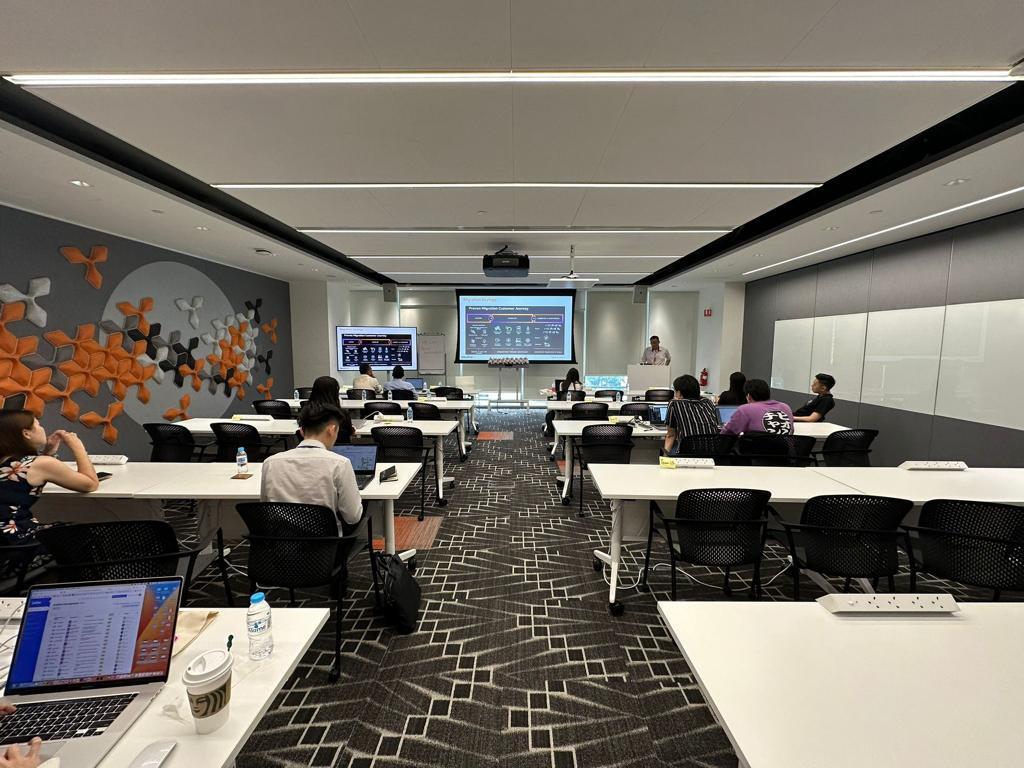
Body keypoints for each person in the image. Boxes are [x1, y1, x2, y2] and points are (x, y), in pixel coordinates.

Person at [260, 404, 365, 549]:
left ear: (301, 431)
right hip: (324, 551)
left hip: (281, 548)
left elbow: (265, 507)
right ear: (332, 429)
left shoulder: (270, 463)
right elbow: (353, 517)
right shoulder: (340, 464)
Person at [0, 411, 99, 546]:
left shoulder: (9, 461)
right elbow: (90, 484)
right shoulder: (40, 464)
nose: (42, 428)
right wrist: (78, 447)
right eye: (38, 425)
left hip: (4, 539)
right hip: (17, 540)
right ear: (26, 433)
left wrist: (47, 453)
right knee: (85, 534)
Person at [664, 375, 720, 453]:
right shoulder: (708, 402)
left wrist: (664, 456)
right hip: (714, 454)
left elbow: (671, 435)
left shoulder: (674, 403)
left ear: (679, 393)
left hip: (688, 454)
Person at [720, 379, 793, 436]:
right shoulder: (786, 407)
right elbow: (791, 432)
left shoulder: (745, 409)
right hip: (783, 450)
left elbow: (726, 434)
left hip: (754, 450)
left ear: (748, 396)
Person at [308, 376, 354, 443]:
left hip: (312, 448)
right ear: (335, 393)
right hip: (340, 448)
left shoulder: (307, 414)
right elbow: (349, 433)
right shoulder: (342, 414)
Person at [544, 368, 583, 438]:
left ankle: (552, 432)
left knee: (549, 415)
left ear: (567, 375)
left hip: (563, 411)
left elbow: (560, 397)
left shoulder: (562, 384)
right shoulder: (579, 385)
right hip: (575, 412)